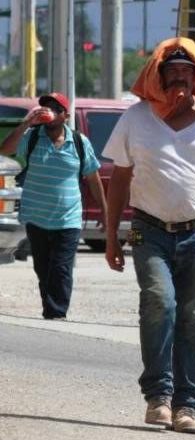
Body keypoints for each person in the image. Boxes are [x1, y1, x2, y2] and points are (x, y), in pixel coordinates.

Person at [103, 37, 195, 435]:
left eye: (187, 73)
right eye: (172, 73)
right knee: (159, 302)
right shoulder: (136, 119)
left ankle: (186, 405)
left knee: (193, 319)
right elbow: (119, 177)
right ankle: (158, 398)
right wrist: (112, 234)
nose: (179, 81)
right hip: (145, 229)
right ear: (158, 76)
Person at [0, 92, 107, 320]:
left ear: (65, 116)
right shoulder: (32, 137)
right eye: (45, 107)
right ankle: (51, 310)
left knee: (61, 268)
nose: (48, 111)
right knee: (44, 269)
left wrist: (106, 214)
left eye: (55, 108)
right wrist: (27, 123)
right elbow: (4, 150)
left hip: (68, 220)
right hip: (37, 218)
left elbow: (94, 179)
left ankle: (57, 313)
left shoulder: (79, 142)